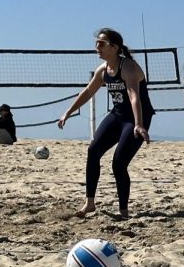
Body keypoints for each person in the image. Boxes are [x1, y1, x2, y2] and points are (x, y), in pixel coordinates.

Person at [58, 28, 155, 219]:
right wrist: (67, 113)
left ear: (114, 47)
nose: (97, 47)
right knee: (93, 151)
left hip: (136, 118)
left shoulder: (128, 67)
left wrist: (139, 124)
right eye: (96, 43)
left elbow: (134, 97)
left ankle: (123, 211)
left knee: (119, 163)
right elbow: (87, 92)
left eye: (101, 44)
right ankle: (90, 203)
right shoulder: (103, 70)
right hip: (117, 116)